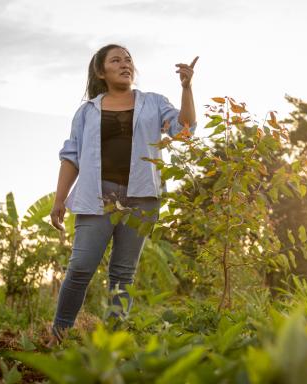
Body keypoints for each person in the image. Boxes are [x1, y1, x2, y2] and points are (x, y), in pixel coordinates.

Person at [49, 43, 198, 343]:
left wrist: (187, 88)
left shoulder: (153, 103)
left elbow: (184, 130)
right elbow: (72, 156)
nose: (125, 64)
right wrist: (59, 199)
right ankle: (59, 334)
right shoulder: (87, 112)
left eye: (128, 59)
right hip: (96, 199)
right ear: (101, 71)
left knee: (122, 274)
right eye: (116, 60)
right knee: (79, 268)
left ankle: (113, 341)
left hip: (141, 199)